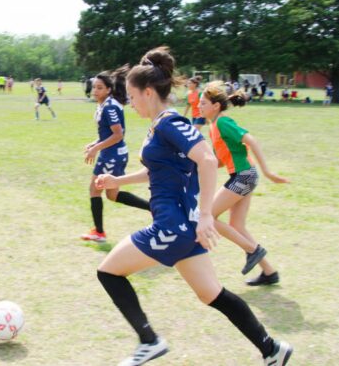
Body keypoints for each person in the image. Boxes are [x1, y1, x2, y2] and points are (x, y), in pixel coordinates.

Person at [94, 47, 292, 366]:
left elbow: (208, 160)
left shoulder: (170, 123)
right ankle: (272, 349)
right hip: (183, 228)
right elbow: (156, 172)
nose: (130, 103)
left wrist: (205, 216)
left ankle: (150, 341)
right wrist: (118, 180)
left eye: (132, 96)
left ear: (147, 92)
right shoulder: (160, 125)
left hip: (172, 225)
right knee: (211, 294)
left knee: (108, 272)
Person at [200, 82, 290, 284]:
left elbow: (251, 140)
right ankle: (269, 272)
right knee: (237, 225)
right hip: (241, 175)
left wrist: (267, 171)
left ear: (216, 106)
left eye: (203, 103)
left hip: (244, 175)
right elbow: (222, 160)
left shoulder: (223, 122)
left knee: (208, 216)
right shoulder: (214, 126)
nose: (199, 106)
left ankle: (253, 250)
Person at [81, 69, 150, 242]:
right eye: (94, 87)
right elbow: (108, 133)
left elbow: (118, 134)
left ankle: (99, 232)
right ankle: (153, 208)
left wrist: (96, 149)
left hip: (111, 155)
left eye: (99, 88)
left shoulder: (110, 107)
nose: (95, 91)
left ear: (108, 90)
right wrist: (94, 143)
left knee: (94, 190)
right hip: (113, 153)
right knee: (112, 195)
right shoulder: (105, 104)